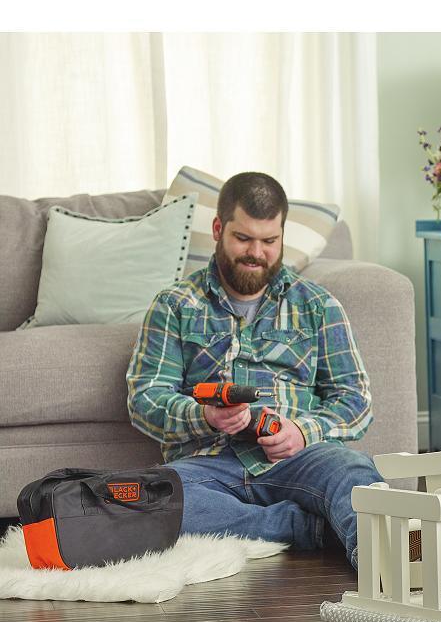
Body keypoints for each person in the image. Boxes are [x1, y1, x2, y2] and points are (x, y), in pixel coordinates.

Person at [127, 171, 381, 569]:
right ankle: (307, 529)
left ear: (282, 236)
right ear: (218, 229)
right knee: (151, 497)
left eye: (269, 241)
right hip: (208, 464)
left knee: (354, 472)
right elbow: (145, 398)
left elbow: (356, 400)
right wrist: (204, 416)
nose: (256, 253)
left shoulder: (318, 305)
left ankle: (390, 566)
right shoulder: (174, 305)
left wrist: (302, 431)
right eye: (243, 238)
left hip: (301, 460)